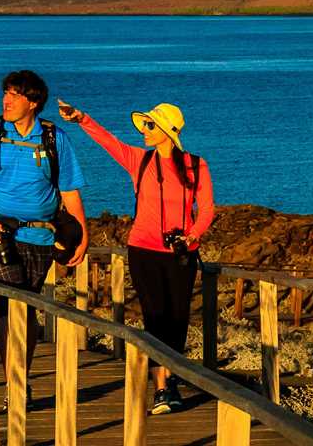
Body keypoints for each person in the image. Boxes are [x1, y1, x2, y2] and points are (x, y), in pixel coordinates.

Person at [58, 98, 213, 415]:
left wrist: (191, 236)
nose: (144, 129)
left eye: (150, 125)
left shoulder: (196, 166)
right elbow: (108, 141)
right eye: (144, 124)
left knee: (177, 320)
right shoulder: (139, 160)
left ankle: (169, 380)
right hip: (143, 250)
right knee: (155, 318)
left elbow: (207, 209)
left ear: (167, 131)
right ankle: (162, 387)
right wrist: (81, 118)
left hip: (181, 254)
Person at [0, 69, 89, 395]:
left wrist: (82, 235)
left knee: (26, 308)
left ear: (33, 102)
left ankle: (21, 378)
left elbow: (70, 192)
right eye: (5, 93)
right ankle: (13, 385)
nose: (6, 100)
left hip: (42, 238)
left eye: (15, 95)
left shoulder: (54, 139)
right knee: (9, 301)